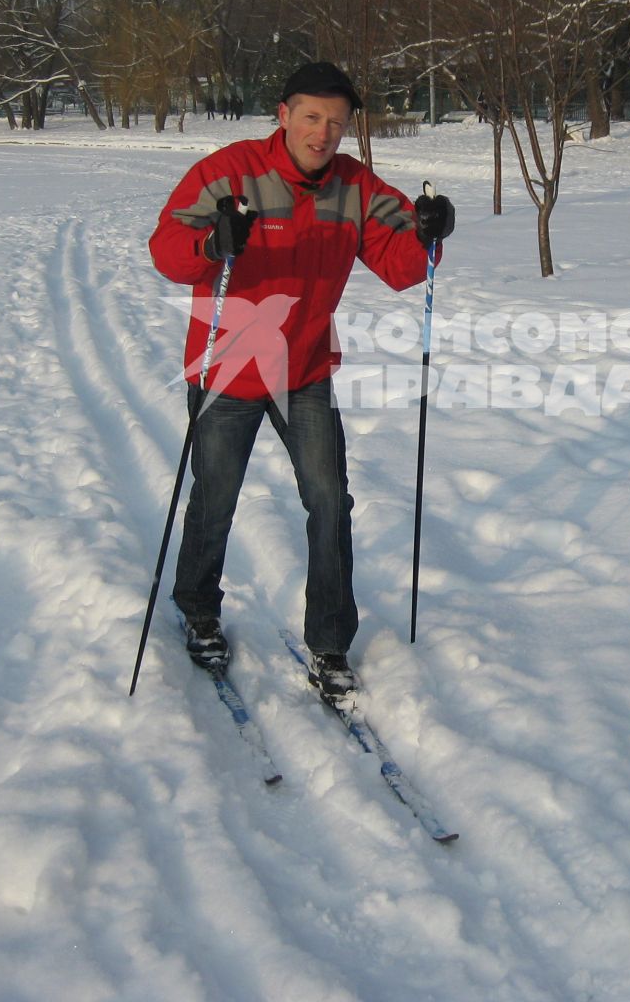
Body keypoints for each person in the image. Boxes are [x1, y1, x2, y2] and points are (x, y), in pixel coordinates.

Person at [148, 60, 456, 698]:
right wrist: (212, 245)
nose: (323, 132)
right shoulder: (228, 172)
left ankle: (329, 640)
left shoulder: (353, 187)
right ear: (284, 115)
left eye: (336, 122)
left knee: (328, 500)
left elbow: (403, 262)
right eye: (311, 117)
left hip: (304, 367)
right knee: (215, 497)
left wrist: (429, 232)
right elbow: (167, 249)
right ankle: (198, 608)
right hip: (229, 363)